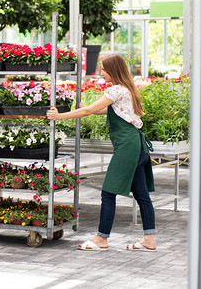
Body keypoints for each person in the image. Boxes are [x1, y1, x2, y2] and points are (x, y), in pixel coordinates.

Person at [46, 54, 157, 251]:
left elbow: (87, 112)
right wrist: (88, 108)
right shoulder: (127, 89)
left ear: (114, 70)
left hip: (127, 147)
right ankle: (149, 239)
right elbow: (112, 111)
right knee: (141, 195)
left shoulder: (115, 90)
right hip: (137, 146)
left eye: (104, 69)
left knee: (108, 192)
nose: (102, 72)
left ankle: (101, 239)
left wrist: (58, 116)